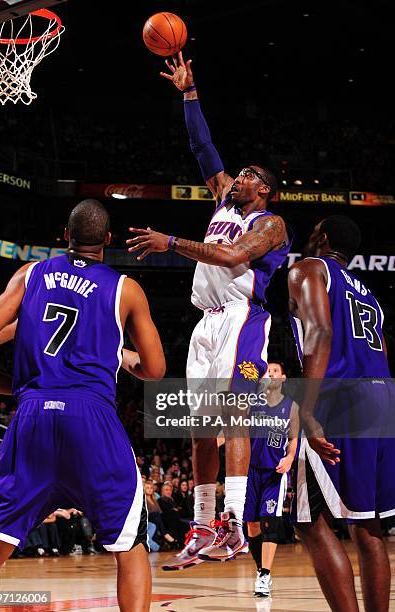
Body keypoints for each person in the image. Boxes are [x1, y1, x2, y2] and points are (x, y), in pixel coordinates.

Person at [127, 51, 292, 569]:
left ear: (262, 187)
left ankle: (237, 526)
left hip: (243, 319)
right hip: (206, 322)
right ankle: (201, 528)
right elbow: (202, 147)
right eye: (236, 174)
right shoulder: (224, 202)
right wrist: (188, 93)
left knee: (235, 417)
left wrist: (170, 241)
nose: (235, 177)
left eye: (246, 175)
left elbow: (232, 256)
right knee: (200, 425)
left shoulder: (271, 225)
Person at [0, 199, 165, 612]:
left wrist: (11, 378)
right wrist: (119, 356)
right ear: (106, 239)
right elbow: (155, 369)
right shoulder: (125, 289)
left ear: (65, 236)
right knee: (130, 542)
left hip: (31, 413)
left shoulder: (30, 274)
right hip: (91, 416)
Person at [288, 214, 394, 612]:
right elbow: (382, 352)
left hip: (341, 395)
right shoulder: (369, 294)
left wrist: (309, 408)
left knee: (306, 516)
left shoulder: (308, 269)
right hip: (381, 397)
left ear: (323, 237)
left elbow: (320, 332)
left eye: (313, 230)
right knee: (367, 526)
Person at [244, 361, 299, 598]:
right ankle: (260, 569)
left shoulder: (290, 406)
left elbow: (294, 438)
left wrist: (289, 458)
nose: (271, 374)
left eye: (275, 370)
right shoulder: (252, 404)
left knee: (269, 523)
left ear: (283, 378)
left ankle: (265, 574)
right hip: (251, 471)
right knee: (252, 526)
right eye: (267, 371)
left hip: (274, 473)